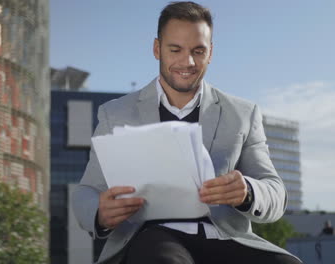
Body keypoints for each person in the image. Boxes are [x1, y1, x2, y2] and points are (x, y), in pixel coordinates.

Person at [71, 2, 302, 263]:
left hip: (224, 237)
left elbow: (275, 193)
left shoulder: (242, 114)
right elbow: (85, 192)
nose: (188, 61)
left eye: (198, 51)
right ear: (157, 49)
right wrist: (100, 212)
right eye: (175, 49)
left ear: (211, 52)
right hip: (150, 237)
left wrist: (247, 192)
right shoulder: (115, 114)